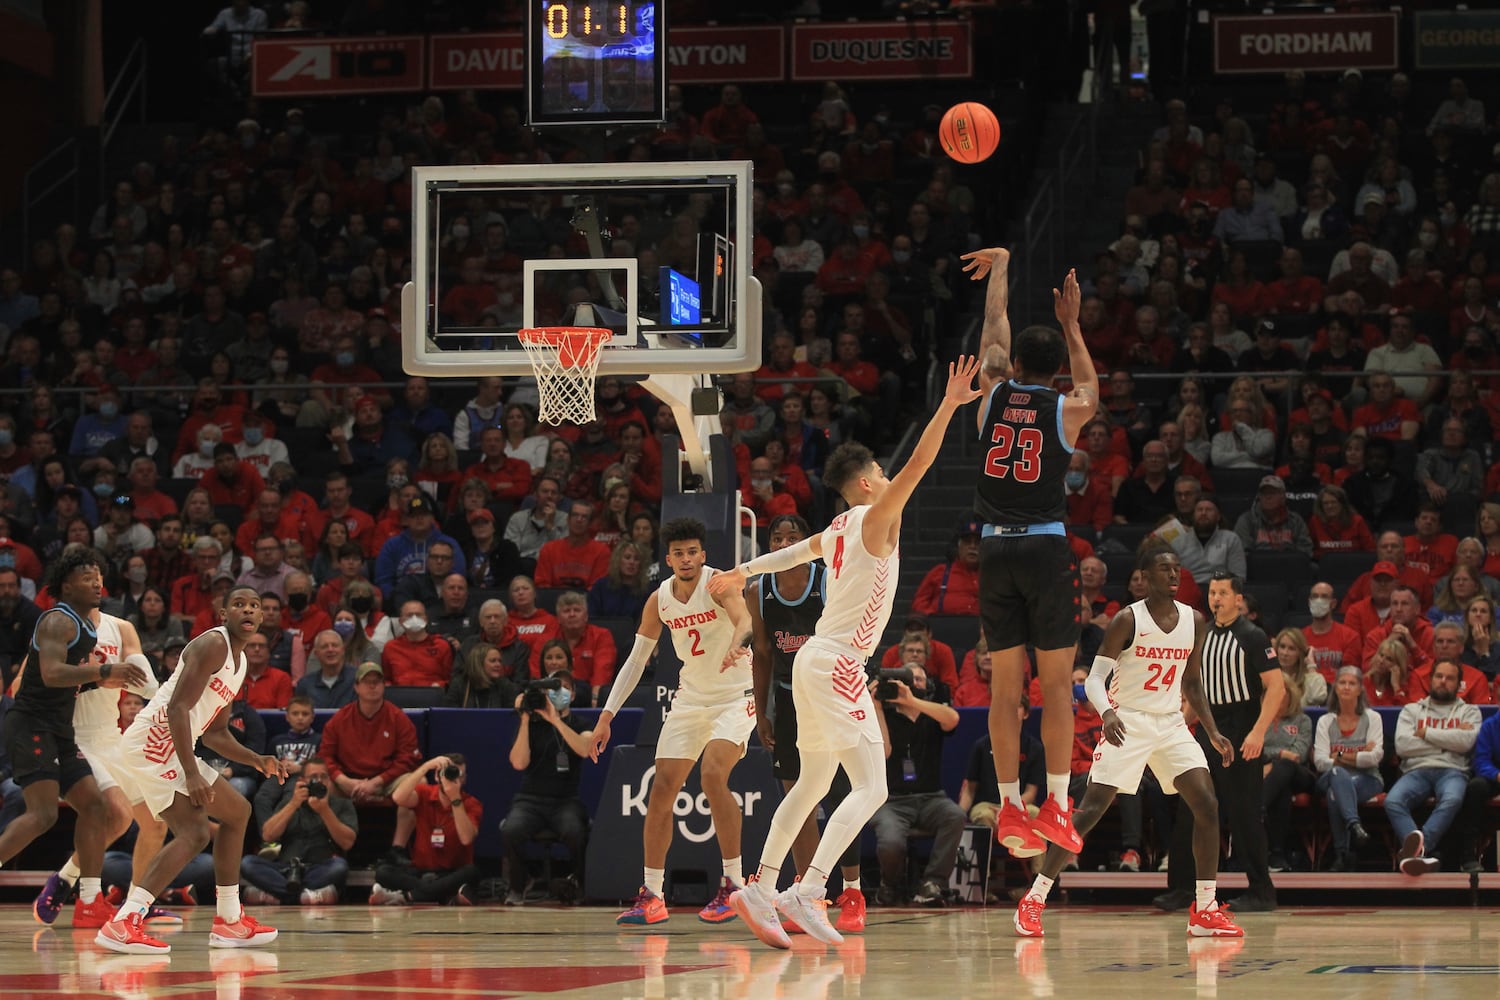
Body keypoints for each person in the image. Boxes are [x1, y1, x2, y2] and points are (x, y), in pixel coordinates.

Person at [708, 357, 983, 948]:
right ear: (867, 483)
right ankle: (807, 890)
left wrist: (740, 572)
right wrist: (949, 405)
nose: (890, 477)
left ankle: (762, 888)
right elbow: (921, 464)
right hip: (836, 664)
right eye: (881, 472)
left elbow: (793, 555)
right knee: (872, 788)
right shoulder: (877, 518)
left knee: (812, 783)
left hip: (812, 660)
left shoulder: (838, 526)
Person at [1014, 546, 1242, 939]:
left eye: (1176, 569)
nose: (1172, 575)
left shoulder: (1195, 620)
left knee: (1207, 803)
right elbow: (1094, 681)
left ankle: (1204, 908)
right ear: (1145, 576)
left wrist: (1211, 729)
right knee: (1089, 812)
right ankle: (1034, 899)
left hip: (1170, 722)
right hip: (1128, 720)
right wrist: (1107, 713)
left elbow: (1191, 683)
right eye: (1163, 568)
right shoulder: (1126, 619)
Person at [963, 249, 1099, 861]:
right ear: (1055, 372)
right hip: (1045, 550)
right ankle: (1060, 805)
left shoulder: (991, 397)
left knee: (1004, 694)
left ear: (1014, 365)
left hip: (993, 554)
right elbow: (1092, 386)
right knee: (1053, 688)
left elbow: (994, 330)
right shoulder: (1067, 408)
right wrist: (1072, 323)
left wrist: (1002, 271)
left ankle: (1012, 805)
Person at [97, 586, 289, 954]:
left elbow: (217, 734)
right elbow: (177, 710)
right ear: (223, 615)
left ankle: (229, 920)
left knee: (238, 812)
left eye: (255, 605)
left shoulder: (240, 662)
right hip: (152, 744)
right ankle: (125, 921)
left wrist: (256, 759)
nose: (248, 610)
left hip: (174, 746)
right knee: (194, 832)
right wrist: (192, 773)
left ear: (262, 617)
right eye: (239, 604)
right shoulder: (212, 645)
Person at [587, 517, 756, 926]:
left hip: (736, 696)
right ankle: (652, 895)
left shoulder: (719, 584)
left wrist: (738, 643)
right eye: (678, 553)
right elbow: (636, 660)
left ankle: (733, 886)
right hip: (690, 699)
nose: (686, 558)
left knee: (714, 775)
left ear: (703, 555)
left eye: (692, 552)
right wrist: (606, 717)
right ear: (668, 559)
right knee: (662, 788)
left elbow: (746, 621)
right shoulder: (659, 599)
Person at [3, 550, 150, 930]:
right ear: (66, 585)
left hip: (61, 729)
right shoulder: (56, 620)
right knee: (43, 815)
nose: (96, 583)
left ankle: (88, 901)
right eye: (87, 578)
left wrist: (103, 677)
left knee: (97, 808)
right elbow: (51, 674)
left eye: (98, 576)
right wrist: (103, 670)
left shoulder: (89, 626)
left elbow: (77, 678)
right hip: (33, 725)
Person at [746, 513, 866, 932]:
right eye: (775, 537)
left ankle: (851, 890)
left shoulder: (825, 578)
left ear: (804, 541)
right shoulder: (758, 589)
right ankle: (803, 890)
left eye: (791, 536)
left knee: (843, 794)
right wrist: (761, 711)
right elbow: (761, 653)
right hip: (787, 695)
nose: (782, 544)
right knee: (799, 798)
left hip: (831, 688)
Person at [1156, 572, 1284, 913]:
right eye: (1212, 592)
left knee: (1244, 814)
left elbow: (1277, 687)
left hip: (1242, 728)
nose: (1216, 599)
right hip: (1207, 727)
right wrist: (1180, 723)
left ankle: (1261, 890)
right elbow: (1194, 688)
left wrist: (1258, 732)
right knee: (1189, 810)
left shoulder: (1253, 636)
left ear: (1238, 599)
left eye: (1223, 593)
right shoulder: (1202, 635)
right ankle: (1183, 889)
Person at [871, 659, 966, 906]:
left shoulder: (931, 712)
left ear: (928, 685)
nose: (913, 683)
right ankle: (889, 884)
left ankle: (933, 882)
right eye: (908, 679)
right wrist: (877, 708)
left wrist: (911, 701)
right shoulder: (886, 714)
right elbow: (884, 752)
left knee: (954, 815)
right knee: (890, 840)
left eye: (919, 679)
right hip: (892, 800)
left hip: (931, 798)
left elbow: (953, 719)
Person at [501, 670, 592, 905]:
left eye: (564, 687)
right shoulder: (530, 724)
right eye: (553, 687)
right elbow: (518, 763)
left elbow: (585, 749)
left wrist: (555, 720)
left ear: (572, 695)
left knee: (575, 830)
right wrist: (524, 718)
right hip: (530, 799)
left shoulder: (581, 723)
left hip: (566, 800)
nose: (558, 692)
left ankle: (578, 883)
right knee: (511, 829)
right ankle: (519, 886)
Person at [1385, 659, 1481, 875]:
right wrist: (1447, 745)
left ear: (1459, 684)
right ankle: (1420, 855)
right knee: (1393, 801)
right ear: (1430, 680)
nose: (1443, 681)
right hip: (1416, 771)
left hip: (1453, 772)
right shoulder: (1411, 710)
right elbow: (1402, 746)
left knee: (1453, 799)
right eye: (1439, 676)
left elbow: (1466, 743)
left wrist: (1426, 733)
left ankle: (1419, 849)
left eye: (1450, 678)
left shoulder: (1470, 712)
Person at [370, 753, 483, 906]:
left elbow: (466, 838)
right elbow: (398, 797)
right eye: (447, 773)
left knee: (472, 872)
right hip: (421, 872)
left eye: (458, 774)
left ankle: (405, 896)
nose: (452, 778)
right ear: (437, 776)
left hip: (452, 872)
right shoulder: (425, 793)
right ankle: (441, 895)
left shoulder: (471, 803)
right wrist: (425, 767)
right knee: (383, 872)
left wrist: (455, 798)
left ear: (463, 779)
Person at [241, 756, 356, 905]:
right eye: (313, 777)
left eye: (323, 777)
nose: (319, 781)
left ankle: (278, 895)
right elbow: (268, 835)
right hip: (285, 869)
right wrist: (293, 804)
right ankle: (304, 896)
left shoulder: (341, 804)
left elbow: (347, 843)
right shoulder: (292, 801)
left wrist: (325, 811)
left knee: (339, 867)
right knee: (248, 863)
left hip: (319, 868)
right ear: (302, 780)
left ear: (329, 780)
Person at [1314, 666, 1386, 871]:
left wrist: (1336, 756)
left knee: (1334, 792)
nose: (1346, 687)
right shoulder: (1325, 721)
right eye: (1342, 682)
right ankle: (1354, 826)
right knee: (1337, 775)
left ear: (1360, 689)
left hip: (1368, 779)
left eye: (1352, 683)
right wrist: (1359, 753)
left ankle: (1342, 855)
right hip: (1329, 776)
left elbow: (1374, 758)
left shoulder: (1372, 718)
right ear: (1335, 687)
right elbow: (1320, 762)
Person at [1261, 674, 1314, 873]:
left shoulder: (1302, 721)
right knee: (1282, 790)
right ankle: (1277, 854)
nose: (1278, 699)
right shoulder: (1258, 719)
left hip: (1300, 774)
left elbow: (1298, 755)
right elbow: (1251, 750)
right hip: (1272, 778)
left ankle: (1259, 805)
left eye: (1282, 695)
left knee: (1285, 767)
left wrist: (1274, 759)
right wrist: (1280, 754)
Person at [910, 521, 981, 616]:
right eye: (967, 542)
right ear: (959, 546)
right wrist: (933, 619)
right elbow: (919, 602)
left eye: (977, 542)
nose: (972, 546)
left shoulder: (993, 576)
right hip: (944, 627)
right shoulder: (940, 572)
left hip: (983, 628)